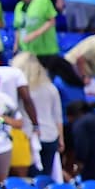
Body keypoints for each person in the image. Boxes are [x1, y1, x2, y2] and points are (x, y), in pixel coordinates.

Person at [14, 51, 63, 179]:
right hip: (50, 136)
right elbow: (58, 117)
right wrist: (61, 139)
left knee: (29, 179)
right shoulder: (51, 88)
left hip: (28, 137)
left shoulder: (20, 91)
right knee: (45, 179)